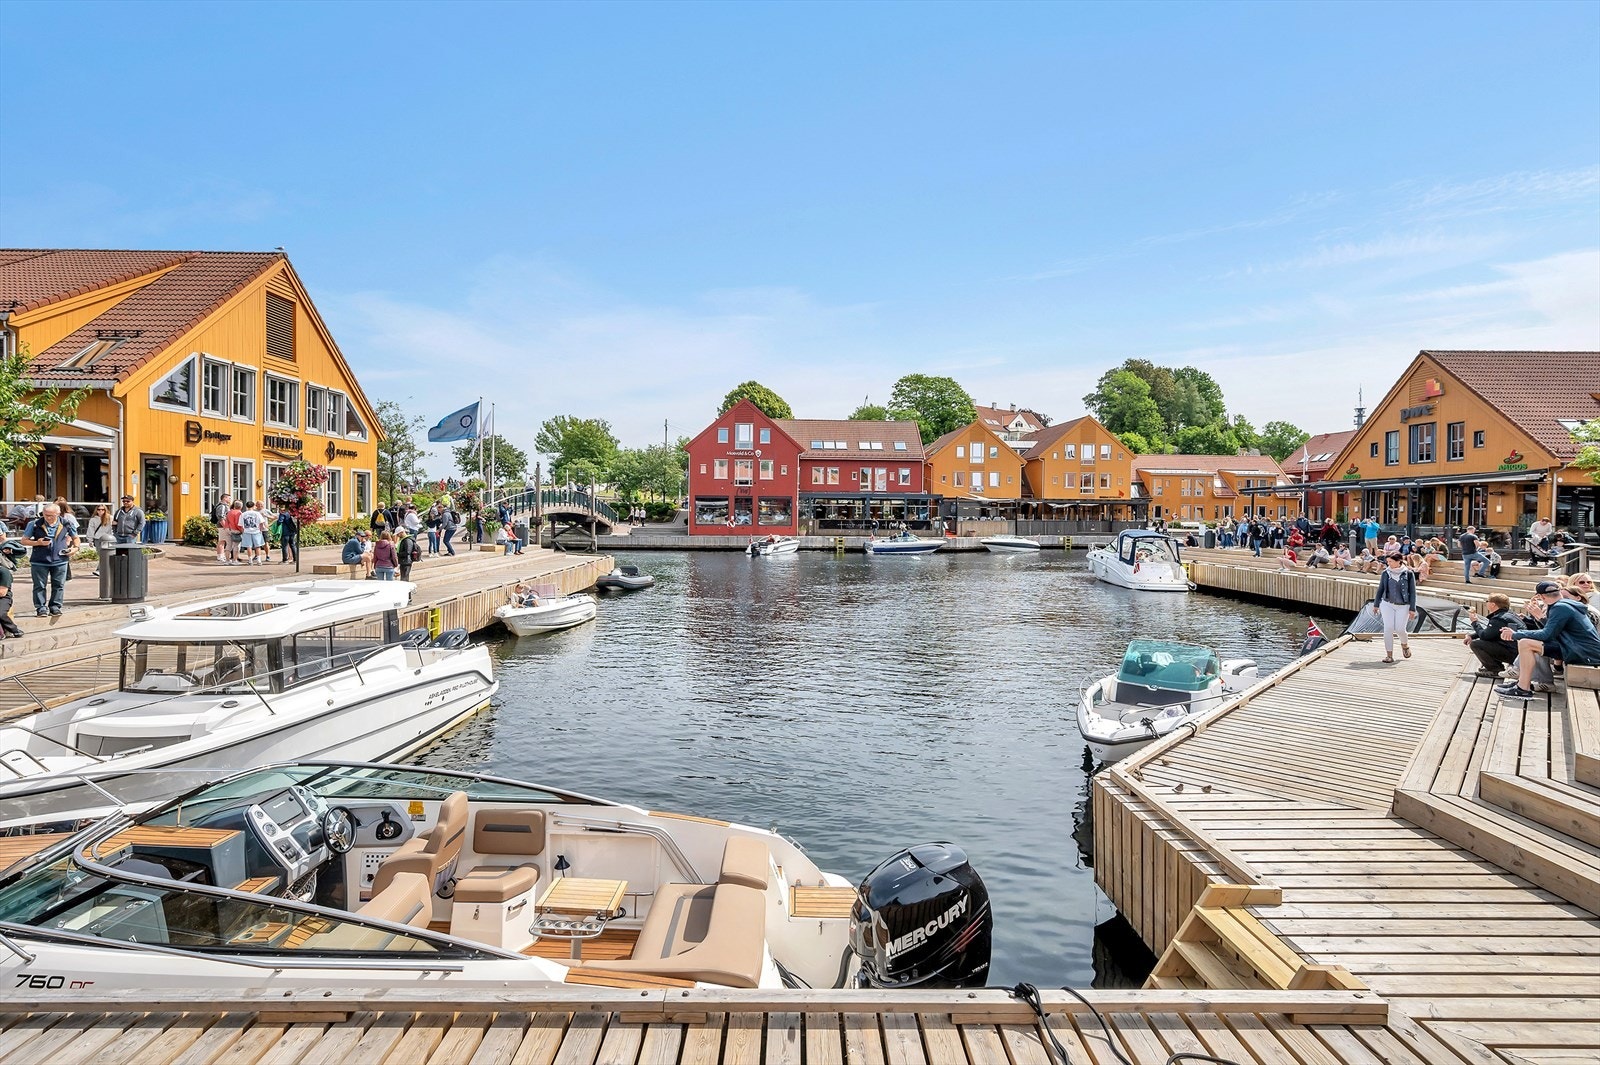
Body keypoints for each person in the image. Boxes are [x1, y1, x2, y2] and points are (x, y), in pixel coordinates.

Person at [1497, 580, 1600, 700]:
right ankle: (1522, 684)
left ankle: (1523, 688)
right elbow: (1553, 631)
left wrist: (1516, 634)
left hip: (1584, 653)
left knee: (1526, 643)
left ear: (1541, 596)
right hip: (1578, 648)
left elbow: (1547, 635)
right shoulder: (1564, 604)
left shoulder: (1560, 607)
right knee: (1526, 642)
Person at [22, 503, 77, 618]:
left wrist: (75, 548)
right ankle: (41, 608)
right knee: (39, 586)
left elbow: (76, 538)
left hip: (60, 560)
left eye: (51, 515)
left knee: (59, 585)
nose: (48, 517)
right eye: (46, 515)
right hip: (39, 560)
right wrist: (38, 542)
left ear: (57, 514)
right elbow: (24, 541)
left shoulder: (66, 523)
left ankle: (55, 607)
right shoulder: (35, 524)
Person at [1368, 553, 1417, 663]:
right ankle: (1389, 655)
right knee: (1388, 628)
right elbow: (1380, 588)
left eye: (1390, 561)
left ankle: (1404, 645)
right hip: (1387, 604)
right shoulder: (1386, 573)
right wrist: (1376, 604)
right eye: (1388, 561)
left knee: (1400, 629)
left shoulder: (1408, 573)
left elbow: (1413, 592)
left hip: (1403, 605)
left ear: (1399, 561)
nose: (1388, 563)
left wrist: (1412, 608)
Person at [1464, 593, 1522, 677]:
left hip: (1513, 654)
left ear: (1493, 604)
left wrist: (1475, 622)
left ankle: (1495, 669)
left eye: (1487, 601)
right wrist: (1472, 636)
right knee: (1486, 640)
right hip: (1517, 652)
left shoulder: (1499, 618)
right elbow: (1491, 632)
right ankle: (1495, 667)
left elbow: (1485, 635)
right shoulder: (1509, 614)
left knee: (1476, 644)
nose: (1486, 603)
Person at [85, 504, 116, 577]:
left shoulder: (110, 518)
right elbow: (90, 530)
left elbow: (112, 528)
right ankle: (102, 570)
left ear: (105, 510)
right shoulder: (93, 519)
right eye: (99, 509)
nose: (100, 511)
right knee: (101, 555)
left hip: (108, 539)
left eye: (102, 509)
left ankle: (99, 570)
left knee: (106, 555)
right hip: (98, 539)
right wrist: (90, 540)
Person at [0, 539, 22, 639]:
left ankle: (14, 629)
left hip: (4, 598)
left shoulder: (4, 572)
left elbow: (2, 593)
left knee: (0, 613)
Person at [238, 500, 267, 565]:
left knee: (249, 546)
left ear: (246, 506)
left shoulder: (243, 514)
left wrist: (243, 531)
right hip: (256, 531)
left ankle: (250, 560)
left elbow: (240, 525)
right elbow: (262, 522)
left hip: (246, 531)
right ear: (254, 506)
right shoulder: (257, 513)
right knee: (257, 546)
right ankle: (259, 560)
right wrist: (261, 529)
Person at [210, 493, 233, 563]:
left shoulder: (224, 506)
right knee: (222, 541)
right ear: (225, 498)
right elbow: (220, 517)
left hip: (223, 525)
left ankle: (221, 555)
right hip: (222, 526)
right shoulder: (222, 506)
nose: (230, 499)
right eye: (229, 498)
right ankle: (220, 556)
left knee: (223, 541)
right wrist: (225, 526)